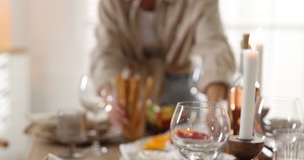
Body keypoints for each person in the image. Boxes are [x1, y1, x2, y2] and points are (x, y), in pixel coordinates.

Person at [89, 0, 236, 128]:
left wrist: (214, 107)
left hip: (180, 87)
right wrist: (111, 100)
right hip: (133, 94)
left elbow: (214, 47)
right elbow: (105, 53)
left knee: (182, 148)